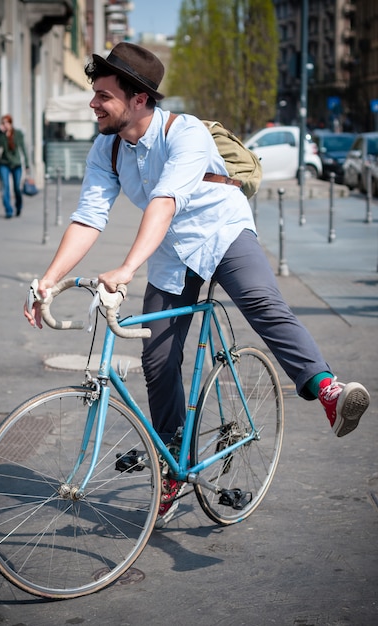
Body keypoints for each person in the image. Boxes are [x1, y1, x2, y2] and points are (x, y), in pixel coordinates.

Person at [24, 42, 370, 526]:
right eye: (94, 93)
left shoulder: (183, 133)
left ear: (139, 98)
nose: (93, 103)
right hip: (167, 249)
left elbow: (165, 201)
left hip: (220, 230)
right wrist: (49, 281)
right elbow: (88, 217)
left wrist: (125, 270)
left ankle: (329, 391)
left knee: (261, 302)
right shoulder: (106, 148)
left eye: (103, 94)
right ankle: (171, 464)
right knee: (157, 354)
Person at [0, 114, 30, 218]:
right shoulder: (1, 134)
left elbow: (23, 148)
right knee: (5, 187)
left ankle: (18, 206)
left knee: (16, 187)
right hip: (4, 164)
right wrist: (0, 133)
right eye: (3, 123)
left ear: (11, 123)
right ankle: (8, 211)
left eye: (6, 122)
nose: (5, 125)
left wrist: (27, 164)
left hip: (16, 164)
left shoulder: (18, 134)